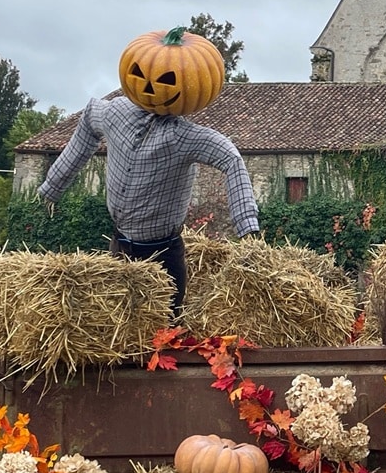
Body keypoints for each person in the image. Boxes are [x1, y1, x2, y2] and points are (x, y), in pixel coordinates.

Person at [38, 93, 259, 317]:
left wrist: (247, 226)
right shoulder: (116, 113)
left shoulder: (183, 137)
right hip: (120, 249)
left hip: (163, 256)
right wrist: (53, 186)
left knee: (167, 329)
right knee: (117, 325)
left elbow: (231, 158)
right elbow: (89, 115)